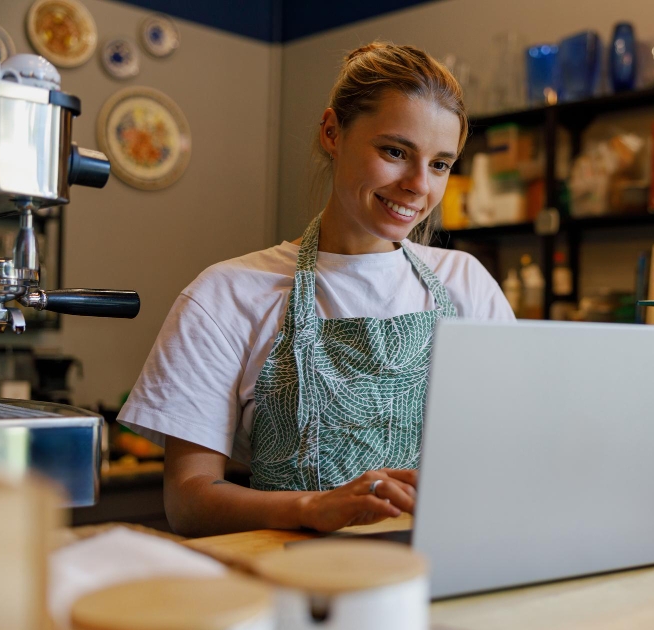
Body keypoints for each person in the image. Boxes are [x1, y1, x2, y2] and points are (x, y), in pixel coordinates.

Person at [118, 43, 515, 537]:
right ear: (332, 133)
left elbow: (511, 452)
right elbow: (188, 501)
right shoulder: (224, 296)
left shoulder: (467, 284)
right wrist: (310, 507)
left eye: (440, 164)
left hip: (443, 573)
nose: (418, 185)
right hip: (294, 586)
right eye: (395, 152)